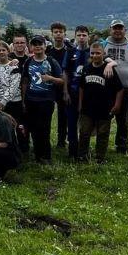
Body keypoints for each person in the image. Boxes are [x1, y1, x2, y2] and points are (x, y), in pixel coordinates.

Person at [20, 36, 64, 162]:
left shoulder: (51, 61)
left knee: (44, 128)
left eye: (40, 44)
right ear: (30, 47)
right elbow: (24, 81)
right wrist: (23, 100)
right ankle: (37, 154)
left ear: (45, 46)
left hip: (46, 100)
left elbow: (62, 80)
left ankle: (46, 155)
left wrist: (50, 78)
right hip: (30, 99)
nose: (37, 47)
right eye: (34, 44)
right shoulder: (28, 62)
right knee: (33, 128)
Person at [77, 43, 124, 162]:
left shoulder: (109, 69)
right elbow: (82, 87)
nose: (95, 55)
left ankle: (100, 157)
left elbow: (120, 89)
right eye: (92, 53)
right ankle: (82, 156)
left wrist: (117, 105)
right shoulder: (86, 68)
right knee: (84, 133)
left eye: (98, 53)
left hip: (105, 108)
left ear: (103, 54)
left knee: (103, 134)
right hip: (87, 108)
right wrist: (80, 104)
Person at [101, 21, 128, 154]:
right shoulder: (102, 45)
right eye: (115, 28)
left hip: (127, 89)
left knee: (123, 121)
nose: (117, 31)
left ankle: (122, 147)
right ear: (110, 29)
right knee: (104, 119)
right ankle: (102, 145)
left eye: (120, 28)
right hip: (106, 90)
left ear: (125, 30)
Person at [48, 22, 76, 155]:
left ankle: (61, 140)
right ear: (52, 34)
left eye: (60, 32)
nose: (58, 34)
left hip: (65, 86)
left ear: (65, 34)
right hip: (49, 87)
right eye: (55, 32)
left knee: (63, 114)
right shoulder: (48, 51)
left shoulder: (69, 51)